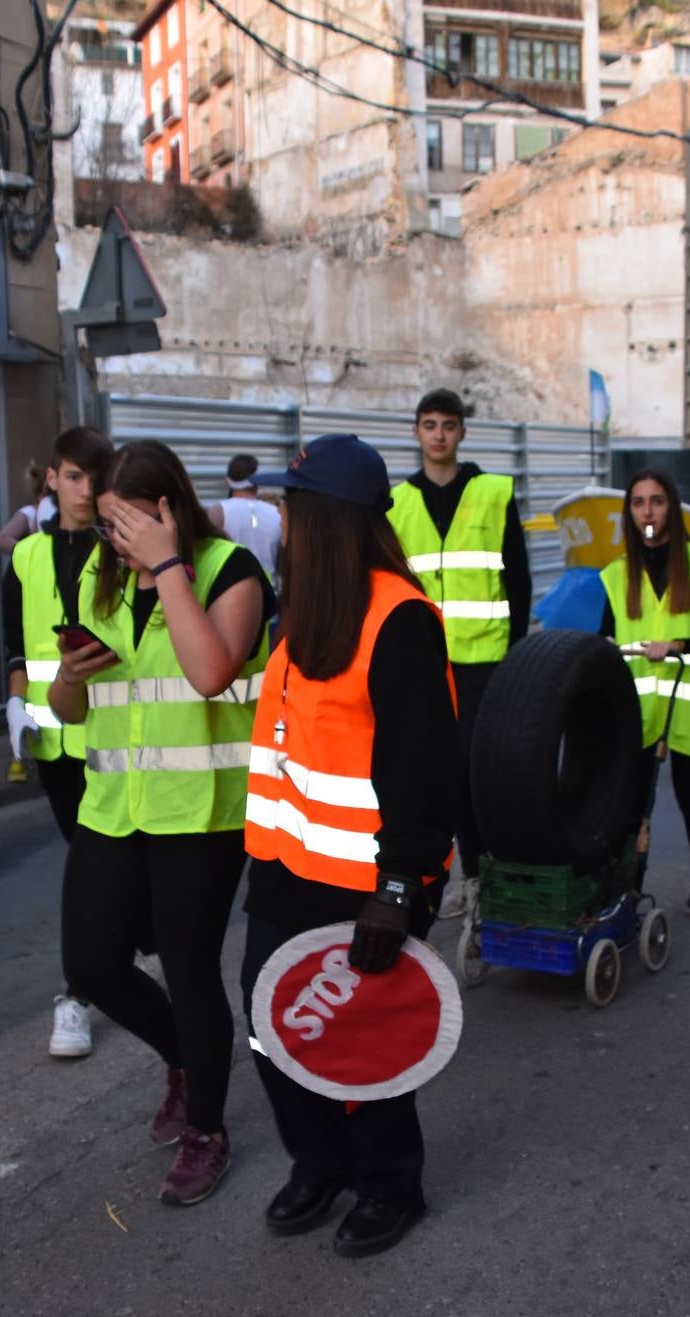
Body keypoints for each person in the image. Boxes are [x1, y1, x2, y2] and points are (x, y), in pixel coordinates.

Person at [241, 433, 456, 1258]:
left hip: (369, 883)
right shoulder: (304, 611)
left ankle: (389, 1184)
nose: (281, 522)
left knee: (361, 1041)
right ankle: (319, 1161)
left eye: (291, 509)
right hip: (287, 868)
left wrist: (399, 893)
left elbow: (424, 775)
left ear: (326, 519)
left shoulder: (399, 619)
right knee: (268, 1023)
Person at [47, 440, 272, 1206]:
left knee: (188, 967)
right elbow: (70, 709)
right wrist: (65, 678)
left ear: (167, 508)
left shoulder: (230, 572)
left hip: (200, 813)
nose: (118, 540)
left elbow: (211, 672)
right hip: (112, 805)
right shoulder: (97, 576)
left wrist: (168, 565)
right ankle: (188, 1059)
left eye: (131, 522)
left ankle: (206, 1129)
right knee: (91, 964)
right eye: (108, 525)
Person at [385, 389, 529, 923]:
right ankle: (448, 874)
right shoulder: (397, 502)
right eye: (429, 424)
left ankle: (475, 875)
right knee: (430, 772)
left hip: (484, 658)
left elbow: (517, 575)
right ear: (417, 432)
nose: (439, 434)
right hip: (425, 659)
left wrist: (515, 652)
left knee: (471, 769)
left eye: (448, 425)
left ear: (462, 432)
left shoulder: (492, 492)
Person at [1, 424, 114, 1058]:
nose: (83, 489)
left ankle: (78, 990)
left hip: (115, 731)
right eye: (73, 476)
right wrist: (16, 700)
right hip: (52, 737)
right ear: (51, 478)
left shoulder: (121, 547)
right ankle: (107, 959)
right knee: (83, 853)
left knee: (91, 866)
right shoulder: (25, 556)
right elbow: (17, 644)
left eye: (94, 478)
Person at [601, 469, 690, 913]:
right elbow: (606, 634)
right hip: (638, 705)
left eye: (657, 501)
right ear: (630, 513)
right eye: (639, 503)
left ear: (671, 510)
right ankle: (628, 885)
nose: (648, 511)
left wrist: (677, 645)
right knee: (633, 800)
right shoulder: (617, 574)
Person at [209, 454, 282, 582]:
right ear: (257, 481)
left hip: (231, 591)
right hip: (270, 591)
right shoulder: (278, 513)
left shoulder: (217, 512)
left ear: (227, 481)